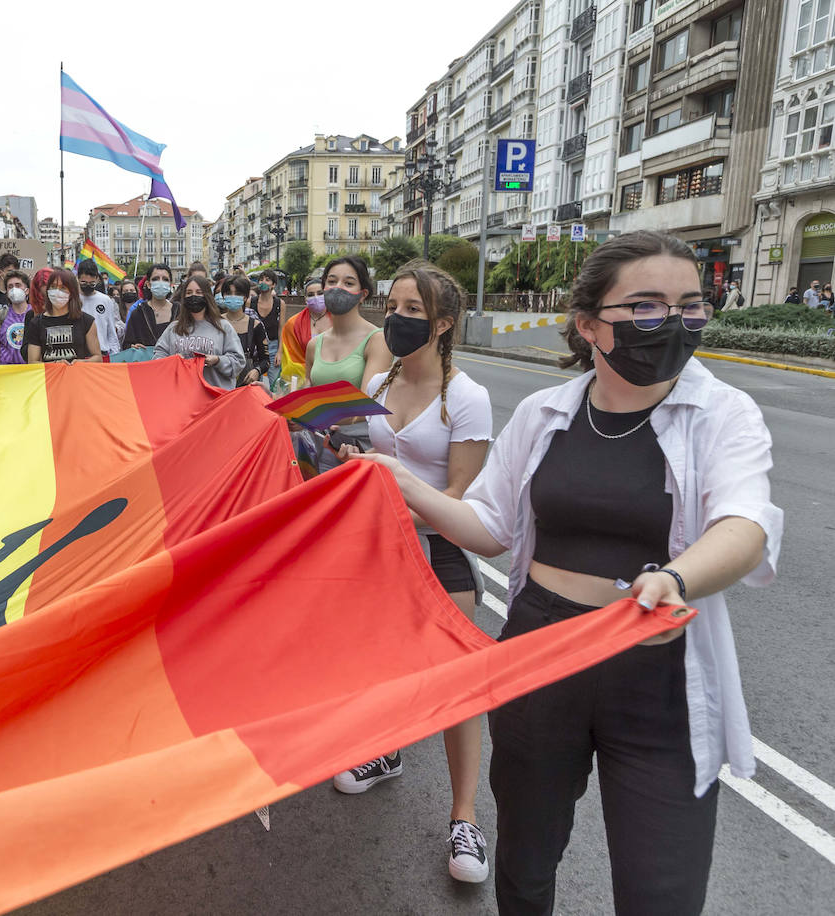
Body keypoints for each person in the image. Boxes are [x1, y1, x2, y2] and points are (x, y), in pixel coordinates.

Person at [341, 230, 781, 916]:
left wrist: (675, 580)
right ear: (588, 324)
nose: (672, 321)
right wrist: (401, 481)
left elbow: (746, 525)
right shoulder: (545, 414)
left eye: (690, 305)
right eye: (645, 305)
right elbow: (489, 527)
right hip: (539, 651)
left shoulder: (723, 414)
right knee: (525, 863)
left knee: (661, 889)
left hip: (657, 665)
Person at [330, 261, 494, 885]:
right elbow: (372, 458)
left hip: (439, 551)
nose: (395, 320)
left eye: (412, 312)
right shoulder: (378, 382)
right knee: (380, 662)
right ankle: (386, 750)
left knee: (457, 684)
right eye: (393, 307)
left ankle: (465, 816)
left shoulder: (468, 398)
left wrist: (395, 495)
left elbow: (458, 498)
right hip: (377, 547)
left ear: (443, 324)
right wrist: (352, 458)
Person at [305, 256, 394, 469]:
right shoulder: (314, 344)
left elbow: (365, 405)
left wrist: (310, 415)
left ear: (363, 294)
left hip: (358, 451)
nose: (338, 287)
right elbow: (307, 390)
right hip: (316, 447)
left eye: (348, 283)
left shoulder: (377, 340)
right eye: (332, 281)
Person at [153, 276, 244, 388]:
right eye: (189, 293)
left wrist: (217, 360)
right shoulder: (173, 328)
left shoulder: (223, 326)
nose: (193, 296)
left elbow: (238, 362)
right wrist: (172, 361)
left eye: (199, 292)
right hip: (181, 394)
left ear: (207, 296)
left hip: (215, 394)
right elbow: (158, 357)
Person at [25, 268, 100, 363]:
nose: (57, 291)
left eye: (63, 287)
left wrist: (82, 363)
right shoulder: (36, 323)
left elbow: (98, 358)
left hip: (77, 372)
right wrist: (55, 365)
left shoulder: (87, 321)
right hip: (50, 373)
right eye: (53, 286)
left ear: (72, 292)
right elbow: (32, 362)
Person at [279, 277, 329, 390]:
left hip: (333, 379)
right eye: (311, 295)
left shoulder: (339, 320)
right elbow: (291, 360)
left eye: (320, 293)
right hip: (303, 382)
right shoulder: (293, 324)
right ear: (305, 299)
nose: (316, 297)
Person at [219, 275, 268, 387]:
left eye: (237, 294)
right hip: (220, 383)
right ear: (223, 296)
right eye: (229, 293)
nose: (233, 297)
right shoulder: (216, 323)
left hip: (246, 384)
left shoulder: (255, 325)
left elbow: (265, 360)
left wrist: (257, 370)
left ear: (245, 297)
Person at [122, 264, 175, 348]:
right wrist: (133, 346)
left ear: (171, 284)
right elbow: (127, 344)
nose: (160, 282)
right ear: (148, 284)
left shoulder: (179, 312)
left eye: (165, 279)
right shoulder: (138, 313)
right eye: (155, 279)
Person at [76, 260, 121, 356]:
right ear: (78, 278)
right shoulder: (72, 299)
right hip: (79, 355)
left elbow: (111, 331)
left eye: (92, 283)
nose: (88, 286)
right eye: (84, 282)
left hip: (102, 353)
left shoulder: (106, 300)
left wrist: (115, 355)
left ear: (97, 279)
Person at [251, 270, 283, 384]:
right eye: (261, 279)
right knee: (254, 383)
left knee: (274, 382)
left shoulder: (280, 304)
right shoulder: (251, 302)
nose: (263, 282)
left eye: (267, 280)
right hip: (255, 349)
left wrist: (279, 352)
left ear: (273, 285)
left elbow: (281, 329)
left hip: (273, 347)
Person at [0, 270, 32, 364]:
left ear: (27, 290)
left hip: (30, 369)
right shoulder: (0, 315)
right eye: (10, 286)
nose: (14, 289)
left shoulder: (35, 313)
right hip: (6, 369)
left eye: (18, 285)